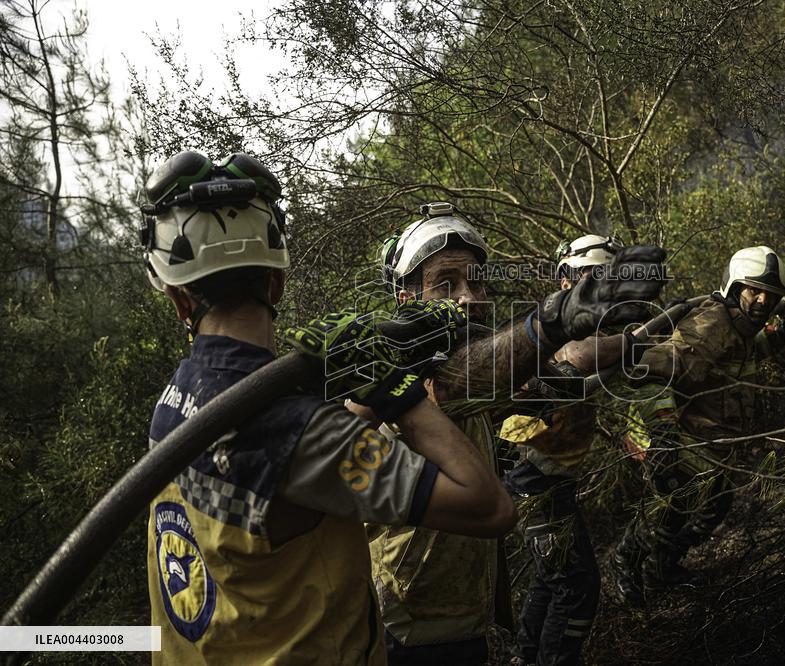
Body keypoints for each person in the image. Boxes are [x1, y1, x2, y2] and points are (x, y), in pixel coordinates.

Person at [141, 152, 515, 664]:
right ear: (278, 282)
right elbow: (491, 507)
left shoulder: (174, 404)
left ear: (179, 301)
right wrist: (398, 393)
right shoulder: (302, 432)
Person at [365, 204, 667, 665]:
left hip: (459, 620)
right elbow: (463, 378)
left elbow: (507, 373)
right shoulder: (401, 373)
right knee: (574, 585)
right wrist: (552, 321)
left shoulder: (469, 363)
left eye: (476, 281)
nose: (469, 297)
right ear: (406, 299)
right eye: (445, 284)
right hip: (404, 632)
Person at [610, 246, 785, 607]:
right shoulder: (710, 326)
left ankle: (661, 567)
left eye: (770, 296)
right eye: (754, 291)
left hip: (714, 442)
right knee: (670, 510)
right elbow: (646, 373)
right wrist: (663, 435)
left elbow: (744, 354)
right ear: (736, 289)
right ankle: (626, 562)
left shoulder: (739, 328)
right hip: (683, 438)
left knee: (713, 509)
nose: (762, 302)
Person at [501, 234, 635, 666]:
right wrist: (634, 343)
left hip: (545, 478)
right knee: (577, 585)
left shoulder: (595, 327)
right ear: (565, 281)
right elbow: (577, 357)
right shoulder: (555, 324)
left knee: (551, 578)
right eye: (589, 278)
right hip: (529, 478)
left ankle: (527, 658)